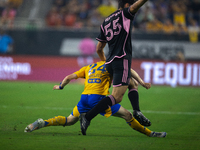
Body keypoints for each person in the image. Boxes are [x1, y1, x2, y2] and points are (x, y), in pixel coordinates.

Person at [24, 61, 166, 138]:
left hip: (84, 99)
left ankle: (42, 123)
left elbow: (68, 77)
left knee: (69, 120)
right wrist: (141, 82)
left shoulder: (88, 67)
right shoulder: (109, 66)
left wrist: (60, 87)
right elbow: (127, 70)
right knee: (127, 115)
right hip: (98, 100)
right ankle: (151, 133)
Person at [80, 0, 149, 135]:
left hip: (110, 61)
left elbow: (99, 48)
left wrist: (106, 62)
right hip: (121, 58)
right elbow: (136, 6)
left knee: (132, 83)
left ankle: (137, 111)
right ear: (127, 6)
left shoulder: (105, 22)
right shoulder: (125, 14)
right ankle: (87, 117)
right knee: (116, 97)